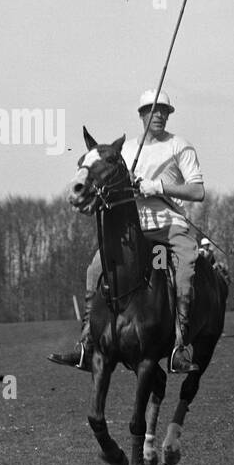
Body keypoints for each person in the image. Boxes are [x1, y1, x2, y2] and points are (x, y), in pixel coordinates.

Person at [50, 88, 205, 372]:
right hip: (133, 232)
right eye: (151, 110)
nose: (157, 115)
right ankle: (86, 344)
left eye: (163, 111)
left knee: (184, 269)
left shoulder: (179, 146)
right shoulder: (127, 150)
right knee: (94, 269)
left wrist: (157, 186)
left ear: (168, 115)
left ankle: (179, 346)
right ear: (141, 115)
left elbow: (197, 191)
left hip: (167, 229)